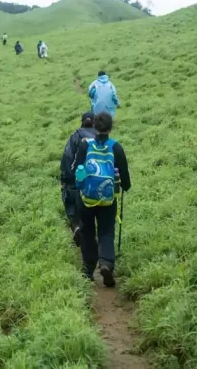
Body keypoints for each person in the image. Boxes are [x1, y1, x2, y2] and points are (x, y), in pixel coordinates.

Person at [70, 111, 130, 286]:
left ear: (94, 127)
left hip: (86, 198)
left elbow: (76, 169)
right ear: (111, 127)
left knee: (87, 231)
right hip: (107, 199)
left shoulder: (84, 146)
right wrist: (124, 186)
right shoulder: (116, 147)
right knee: (106, 231)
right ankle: (106, 263)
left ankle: (88, 270)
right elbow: (125, 178)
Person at [60, 112, 97, 246]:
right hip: (98, 182)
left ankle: (76, 226)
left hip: (77, 178)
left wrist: (64, 179)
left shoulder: (76, 136)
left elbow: (67, 158)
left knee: (69, 200)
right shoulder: (102, 137)